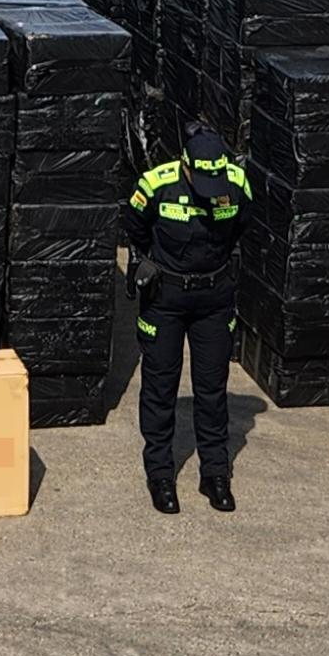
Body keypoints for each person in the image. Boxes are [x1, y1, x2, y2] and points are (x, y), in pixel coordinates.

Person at [125, 122, 253, 515]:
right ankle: (160, 474)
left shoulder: (237, 183)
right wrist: (148, 264)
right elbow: (134, 227)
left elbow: (241, 229)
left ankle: (215, 474)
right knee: (160, 388)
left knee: (212, 389)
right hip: (165, 297)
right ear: (184, 166)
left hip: (214, 299)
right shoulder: (155, 184)